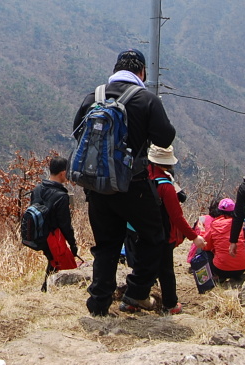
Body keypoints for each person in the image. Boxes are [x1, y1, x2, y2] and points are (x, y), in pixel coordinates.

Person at [72, 49, 176, 316]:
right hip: (134, 185)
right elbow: (165, 138)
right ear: (142, 72)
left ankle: (98, 304)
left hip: (97, 186)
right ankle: (137, 292)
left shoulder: (93, 97)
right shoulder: (146, 99)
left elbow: (77, 133)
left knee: (106, 246)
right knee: (153, 238)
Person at [128, 144, 203, 315]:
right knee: (166, 271)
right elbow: (177, 217)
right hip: (162, 235)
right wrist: (194, 237)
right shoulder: (166, 186)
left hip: (139, 231)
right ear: (168, 163)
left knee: (142, 266)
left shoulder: (138, 178)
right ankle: (170, 304)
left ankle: (132, 300)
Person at [29, 155, 79, 292]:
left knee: (52, 261)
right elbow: (65, 224)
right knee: (58, 262)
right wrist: (73, 243)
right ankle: (47, 289)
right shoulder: (61, 196)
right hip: (52, 236)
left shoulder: (37, 189)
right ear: (62, 173)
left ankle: (46, 288)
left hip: (37, 234)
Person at [202, 198, 245, 282]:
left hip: (221, 270)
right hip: (242, 268)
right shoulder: (240, 224)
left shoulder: (215, 224)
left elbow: (206, 246)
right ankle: (237, 276)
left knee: (206, 253)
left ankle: (218, 276)